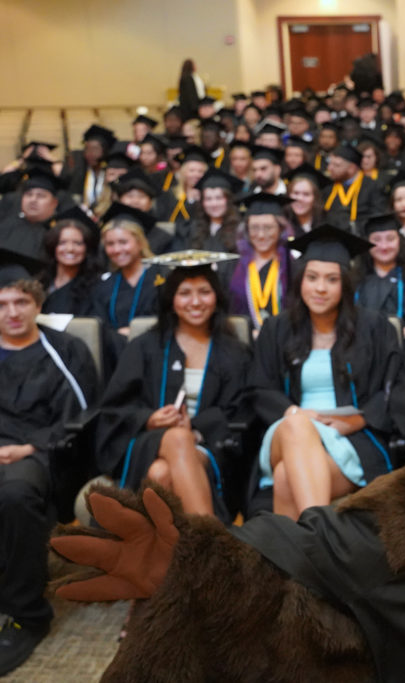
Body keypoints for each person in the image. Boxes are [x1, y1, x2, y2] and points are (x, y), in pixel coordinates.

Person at [249, 225, 405, 519]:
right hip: (287, 429)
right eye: (312, 278)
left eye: (331, 280)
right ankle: (322, 535)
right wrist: (296, 412)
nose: (320, 288)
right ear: (300, 281)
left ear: (345, 285)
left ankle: (296, 560)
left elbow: (394, 386)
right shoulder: (277, 329)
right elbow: (260, 388)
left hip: (351, 438)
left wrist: (355, 420)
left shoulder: (374, 328)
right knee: (296, 426)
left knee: (286, 478)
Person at [95, 252, 250, 522]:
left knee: (160, 473)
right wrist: (149, 419)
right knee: (176, 439)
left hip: (211, 446)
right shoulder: (144, 347)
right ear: (171, 299)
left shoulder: (235, 352)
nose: (195, 302)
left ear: (217, 297)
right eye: (185, 293)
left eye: (204, 292)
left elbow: (243, 409)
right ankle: (213, 548)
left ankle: (168, 560)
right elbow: (115, 407)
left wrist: (198, 427)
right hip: (149, 442)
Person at [0, 250, 98, 676]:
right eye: (1, 304)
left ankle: (27, 613)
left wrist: (28, 449)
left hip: (41, 454)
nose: (12, 312)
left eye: (21, 301)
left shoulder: (66, 350)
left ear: (38, 304)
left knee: (16, 494)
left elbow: (83, 416)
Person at [92, 204, 161, 338]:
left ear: (140, 242)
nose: (117, 250)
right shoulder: (104, 285)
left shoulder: (161, 277)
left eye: (123, 242)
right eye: (110, 244)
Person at [228, 193, 293, 335]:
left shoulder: (291, 264)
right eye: (254, 228)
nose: (261, 235)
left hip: (286, 340)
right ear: (246, 230)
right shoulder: (234, 265)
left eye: (269, 227)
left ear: (281, 229)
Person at [354, 213, 405, 340]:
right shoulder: (354, 279)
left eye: (390, 239)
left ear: (399, 241)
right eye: (376, 240)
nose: (384, 246)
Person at [40, 207, 102, 316]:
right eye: (62, 243)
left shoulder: (96, 288)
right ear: (52, 246)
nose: (70, 249)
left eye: (78, 243)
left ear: (87, 249)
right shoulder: (41, 284)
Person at [0, 168, 62, 260]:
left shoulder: (57, 235)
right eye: (29, 195)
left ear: (54, 203)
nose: (33, 200)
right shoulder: (5, 224)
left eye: (40, 196)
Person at [323, 144, 384, 231]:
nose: (329, 168)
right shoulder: (327, 187)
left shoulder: (373, 187)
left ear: (351, 168)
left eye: (336, 165)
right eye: (330, 164)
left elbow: (377, 217)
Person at [183, 168, 245, 253]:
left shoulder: (241, 229)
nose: (214, 204)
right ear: (202, 202)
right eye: (208, 199)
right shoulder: (194, 229)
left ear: (228, 200)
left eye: (219, 198)